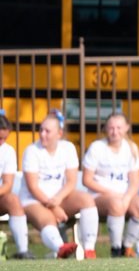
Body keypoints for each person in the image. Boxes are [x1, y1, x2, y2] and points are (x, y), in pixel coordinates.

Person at [20, 111, 100, 258]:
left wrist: (57, 200)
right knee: (48, 219)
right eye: (41, 130)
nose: (42, 134)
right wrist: (54, 207)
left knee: (87, 200)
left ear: (59, 133)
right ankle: (60, 248)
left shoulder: (68, 148)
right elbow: (33, 187)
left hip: (59, 199)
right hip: (33, 200)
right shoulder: (31, 151)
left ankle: (89, 249)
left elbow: (71, 181)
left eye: (47, 131)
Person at [81, 113, 139, 257]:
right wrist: (112, 193)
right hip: (100, 196)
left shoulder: (131, 148)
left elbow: (135, 182)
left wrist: (126, 198)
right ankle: (116, 249)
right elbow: (87, 180)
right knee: (116, 204)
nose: (115, 131)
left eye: (119, 127)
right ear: (106, 129)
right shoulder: (97, 148)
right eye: (111, 128)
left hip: (123, 196)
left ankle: (127, 247)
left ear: (126, 128)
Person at [0, 113, 36, 259]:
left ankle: (23, 251)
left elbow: (8, 184)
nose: (1, 142)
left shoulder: (8, 151)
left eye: (4, 138)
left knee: (13, 200)